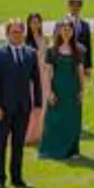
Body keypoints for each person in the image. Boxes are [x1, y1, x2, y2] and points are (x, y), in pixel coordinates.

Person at [0, 17, 42, 188]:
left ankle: (17, 178)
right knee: (0, 145)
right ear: (7, 33)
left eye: (20, 32)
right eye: (14, 32)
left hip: (22, 107)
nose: (18, 35)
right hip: (3, 109)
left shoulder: (30, 53)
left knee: (18, 145)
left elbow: (36, 80)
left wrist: (38, 103)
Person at [38, 17, 86, 161]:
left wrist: (82, 90)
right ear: (58, 31)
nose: (66, 32)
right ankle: (52, 149)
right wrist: (49, 92)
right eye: (63, 29)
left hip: (73, 89)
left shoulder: (78, 50)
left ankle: (72, 150)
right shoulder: (52, 51)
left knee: (73, 119)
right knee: (54, 119)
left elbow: (80, 72)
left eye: (69, 29)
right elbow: (47, 74)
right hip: (58, 88)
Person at [23, 13, 47, 147]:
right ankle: (28, 134)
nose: (35, 25)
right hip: (31, 76)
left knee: (42, 104)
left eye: (38, 22)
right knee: (31, 104)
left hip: (43, 75)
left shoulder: (44, 39)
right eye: (33, 22)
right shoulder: (25, 41)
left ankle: (39, 132)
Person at [66, 0, 94, 79]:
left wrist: (88, 66)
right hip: (66, 61)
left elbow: (88, 46)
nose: (75, 8)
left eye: (78, 6)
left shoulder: (85, 25)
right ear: (69, 6)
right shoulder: (61, 23)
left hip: (81, 62)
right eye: (73, 6)